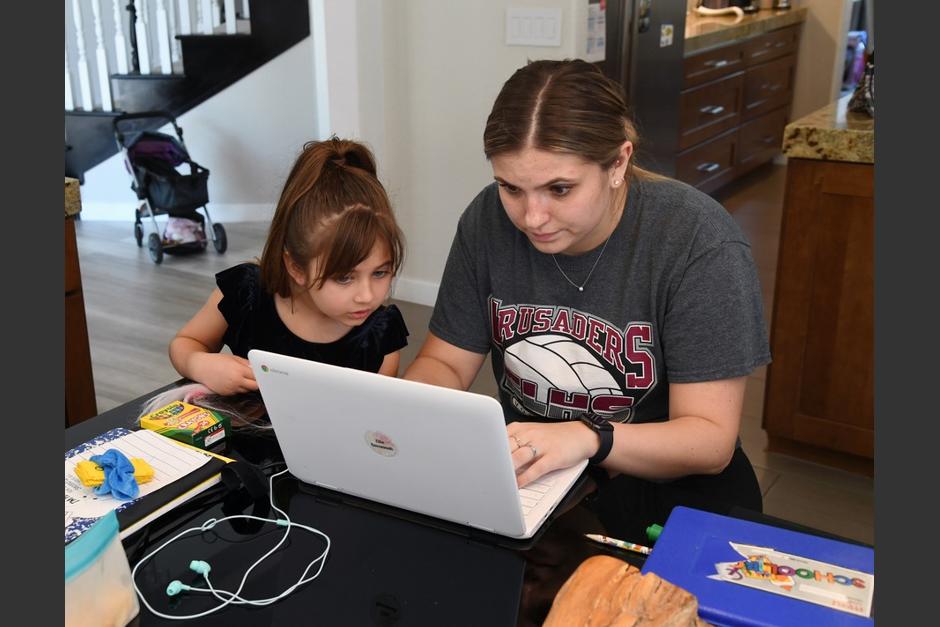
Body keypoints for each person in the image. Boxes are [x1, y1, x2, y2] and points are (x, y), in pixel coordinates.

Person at [403, 59, 771, 542]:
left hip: (669, 491)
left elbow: (709, 440)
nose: (533, 217)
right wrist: (403, 418)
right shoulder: (486, 221)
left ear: (618, 162)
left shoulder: (697, 241)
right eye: (511, 187)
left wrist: (588, 439)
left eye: (560, 189)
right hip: (540, 483)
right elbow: (446, 365)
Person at [170, 138, 409, 396]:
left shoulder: (379, 334)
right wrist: (200, 364)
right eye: (344, 278)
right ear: (296, 267)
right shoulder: (247, 294)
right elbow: (185, 343)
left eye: (380, 273)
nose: (368, 296)